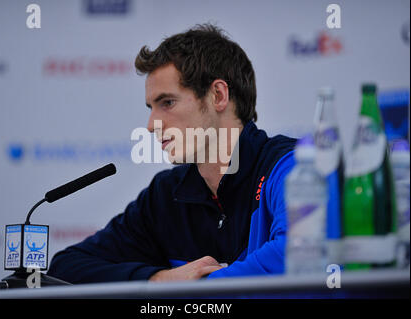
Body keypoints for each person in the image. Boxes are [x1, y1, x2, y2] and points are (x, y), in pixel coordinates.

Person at [47, 24, 296, 283]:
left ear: (218, 95)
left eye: (167, 103)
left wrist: (198, 291)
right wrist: (160, 279)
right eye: (151, 107)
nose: (151, 124)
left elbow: (298, 252)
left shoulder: (289, 166)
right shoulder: (166, 194)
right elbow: (65, 268)